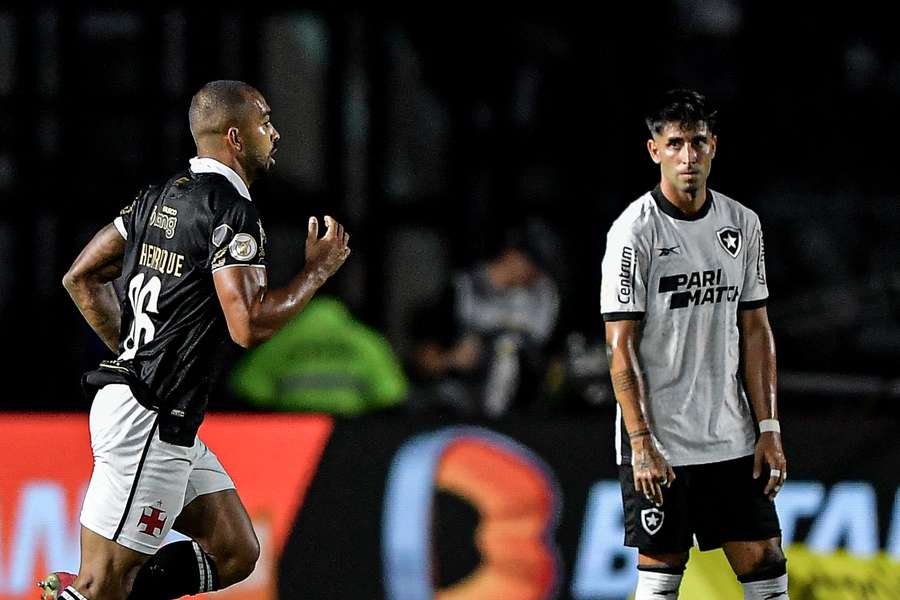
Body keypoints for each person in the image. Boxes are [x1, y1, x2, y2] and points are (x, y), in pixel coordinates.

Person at [47, 80, 350, 600]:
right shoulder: (231, 210)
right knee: (101, 585)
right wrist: (315, 273)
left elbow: (81, 276)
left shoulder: (159, 197)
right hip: (152, 416)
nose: (274, 133)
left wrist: (134, 350)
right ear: (235, 136)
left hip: (152, 409)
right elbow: (248, 325)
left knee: (235, 551)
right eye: (265, 121)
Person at [600, 89, 789, 599]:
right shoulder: (632, 233)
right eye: (676, 143)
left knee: (765, 563)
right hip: (662, 438)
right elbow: (621, 347)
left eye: (698, 143)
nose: (688, 157)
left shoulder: (742, 225)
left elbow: (755, 330)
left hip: (731, 433)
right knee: (662, 572)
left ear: (714, 147)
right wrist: (641, 442)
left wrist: (767, 427)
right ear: (654, 150)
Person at [410, 218, 562, 418]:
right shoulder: (461, 291)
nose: (537, 276)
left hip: (520, 409)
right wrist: (452, 359)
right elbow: (421, 360)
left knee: (506, 347)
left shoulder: (542, 295)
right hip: (462, 404)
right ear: (513, 255)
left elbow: (550, 357)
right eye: (534, 265)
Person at [230, 296, 408, 415]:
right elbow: (391, 394)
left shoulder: (280, 339)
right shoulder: (365, 341)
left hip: (291, 433)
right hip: (349, 434)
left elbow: (248, 388)